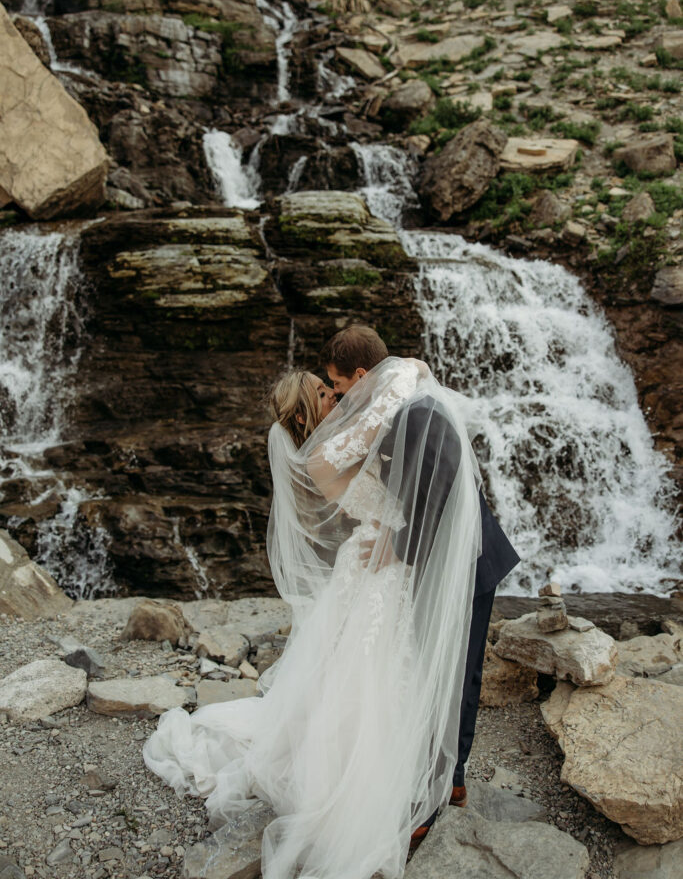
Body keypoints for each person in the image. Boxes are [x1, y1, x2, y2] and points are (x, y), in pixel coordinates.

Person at [143, 351, 490, 879]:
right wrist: (406, 367)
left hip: (379, 557)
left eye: (336, 389)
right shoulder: (327, 452)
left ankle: (417, 769)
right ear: (308, 413)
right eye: (328, 393)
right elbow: (385, 409)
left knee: (375, 667)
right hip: (382, 562)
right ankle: (376, 780)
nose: (342, 396)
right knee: (372, 673)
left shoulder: (331, 446)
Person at [321, 325, 520, 843]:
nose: (338, 399)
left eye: (339, 387)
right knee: (439, 671)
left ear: (362, 376)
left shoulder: (417, 412)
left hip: (465, 565)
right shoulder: (404, 400)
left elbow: (444, 482)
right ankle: (446, 781)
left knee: (455, 677)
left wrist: (399, 543)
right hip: (439, 563)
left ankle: (435, 797)